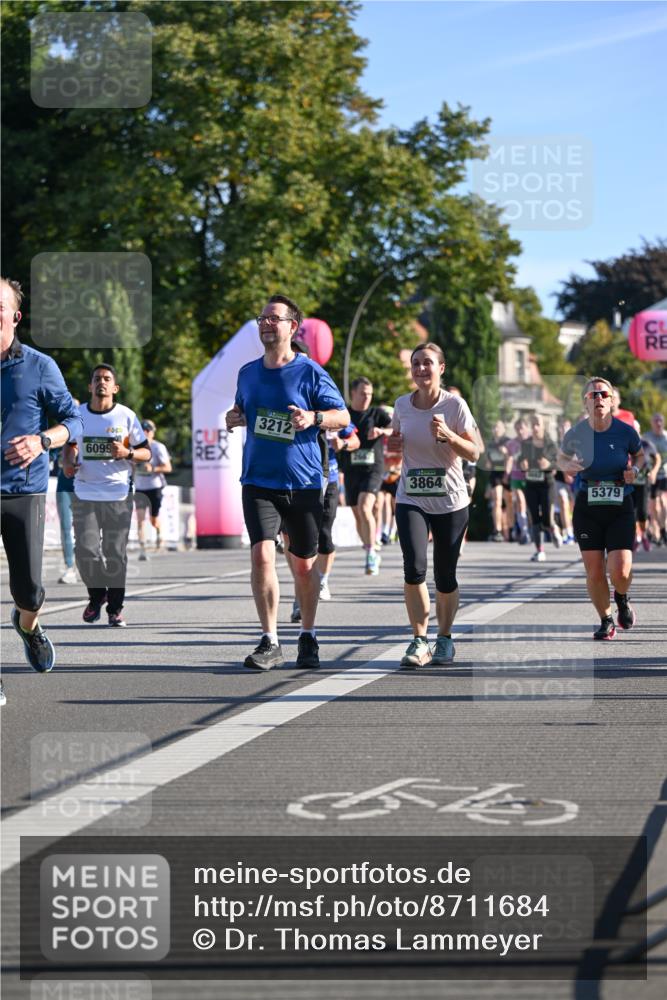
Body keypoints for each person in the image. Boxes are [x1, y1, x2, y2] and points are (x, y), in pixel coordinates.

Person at [226, 294, 350, 671]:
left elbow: (341, 416)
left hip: (304, 482)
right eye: (262, 318)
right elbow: (243, 410)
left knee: (302, 566)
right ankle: (270, 639)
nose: (266, 323)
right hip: (258, 480)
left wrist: (313, 418)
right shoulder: (247, 373)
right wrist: (236, 416)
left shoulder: (310, 371)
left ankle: (308, 635)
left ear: (292, 327)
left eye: (274, 319)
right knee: (262, 554)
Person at [1, 277, 82, 703]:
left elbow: (75, 421)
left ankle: (28, 624)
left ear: (15, 315)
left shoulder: (38, 366)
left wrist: (42, 441)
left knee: (29, 589)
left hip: (22, 491)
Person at [390, 343, 480, 668]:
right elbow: (394, 450)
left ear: (441, 368)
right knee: (414, 568)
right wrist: (391, 445)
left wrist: (449, 438)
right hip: (410, 497)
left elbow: (474, 452)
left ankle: (444, 638)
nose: (421, 369)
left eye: (428, 363)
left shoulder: (455, 405)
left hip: (451, 500)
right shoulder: (401, 405)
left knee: (445, 575)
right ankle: (418, 640)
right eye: (416, 363)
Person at [62, 364, 151, 627]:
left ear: (115, 388)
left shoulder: (126, 416)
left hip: (118, 494)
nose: (102, 382)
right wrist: (68, 463)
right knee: (85, 551)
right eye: (97, 379)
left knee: (115, 553)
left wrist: (128, 454)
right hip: (85, 493)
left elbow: (146, 452)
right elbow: (69, 448)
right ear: (90, 386)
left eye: (107, 379)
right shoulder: (77, 415)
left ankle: (115, 608)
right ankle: (97, 595)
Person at [558, 377, 644, 640]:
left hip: (620, 505)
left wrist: (636, 470)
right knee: (595, 571)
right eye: (593, 395)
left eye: (603, 394)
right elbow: (561, 457)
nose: (599, 399)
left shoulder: (626, 431)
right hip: (588, 507)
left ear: (612, 400)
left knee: (620, 571)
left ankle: (621, 596)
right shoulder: (576, 433)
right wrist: (567, 466)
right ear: (585, 402)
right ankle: (606, 620)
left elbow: (639, 455)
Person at [340, 377, 393, 575]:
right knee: (358, 515)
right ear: (353, 393)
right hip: (351, 469)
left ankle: (371, 552)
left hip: (374, 467)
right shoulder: (344, 414)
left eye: (370, 394)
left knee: (365, 506)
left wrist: (382, 430)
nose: (367, 397)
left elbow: (394, 426)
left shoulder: (376, 413)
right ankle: (369, 546)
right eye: (363, 393)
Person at [520, 412, 560, 561]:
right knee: (534, 518)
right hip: (531, 485)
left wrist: (549, 464)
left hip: (547, 484)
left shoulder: (551, 444)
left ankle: (554, 527)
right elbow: (520, 460)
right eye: (533, 425)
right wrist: (522, 464)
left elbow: (559, 463)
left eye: (538, 424)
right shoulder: (526, 444)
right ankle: (540, 550)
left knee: (547, 519)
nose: (535, 428)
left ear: (544, 426)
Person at [133, 419, 172, 560]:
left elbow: (168, 467)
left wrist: (153, 469)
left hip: (155, 486)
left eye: (148, 430)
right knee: (140, 519)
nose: (146, 433)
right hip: (140, 488)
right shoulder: (134, 447)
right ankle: (143, 549)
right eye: (143, 430)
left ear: (152, 433)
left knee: (153, 520)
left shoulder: (158, 447)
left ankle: (160, 536)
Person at [479, 419, 510, 542]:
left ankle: (509, 530)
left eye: (498, 427)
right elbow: (488, 464)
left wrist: (506, 453)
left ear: (503, 429)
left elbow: (513, 458)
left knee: (508, 504)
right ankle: (497, 530)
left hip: (507, 473)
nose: (495, 429)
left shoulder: (507, 441)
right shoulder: (490, 444)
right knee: (497, 501)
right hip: (495, 474)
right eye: (494, 427)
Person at [632, 424, 660, 551]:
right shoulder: (624, 443)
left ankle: (643, 535)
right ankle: (635, 537)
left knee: (642, 512)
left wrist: (653, 472)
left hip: (643, 483)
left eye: (635, 429)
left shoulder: (647, 444)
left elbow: (657, 458)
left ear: (639, 430)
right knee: (631, 512)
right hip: (629, 483)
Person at [505, 417, 531, 545]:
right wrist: (507, 473)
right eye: (517, 428)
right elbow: (509, 459)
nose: (520, 431)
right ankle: (524, 531)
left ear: (527, 428)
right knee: (520, 501)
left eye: (522, 428)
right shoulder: (511, 444)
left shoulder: (533, 441)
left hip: (531, 477)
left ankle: (532, 529)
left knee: (531, 505)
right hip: (516, 476)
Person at [643, 413, 667, 546]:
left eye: (661, 421)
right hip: (651, 475)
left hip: (664, 473)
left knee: (662, 501)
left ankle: (663, 531)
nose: (658, 423)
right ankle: (659, 529)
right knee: (654, 506)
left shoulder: (666, 437)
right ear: (652, 423)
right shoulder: (647, 438)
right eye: (656, 420)